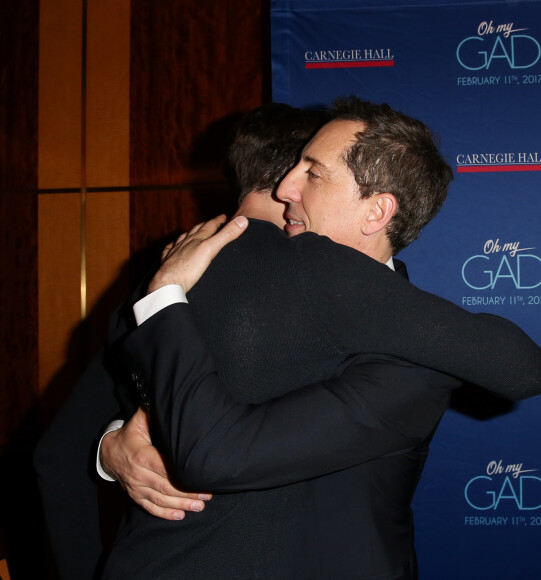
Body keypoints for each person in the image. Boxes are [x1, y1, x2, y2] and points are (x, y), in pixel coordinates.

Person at [99, 98, 541, 578]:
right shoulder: (217, 264)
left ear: (376, 211)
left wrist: (165, 296)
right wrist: (112, 447)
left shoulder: (417, 358)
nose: (284, 187)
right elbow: (116, 395)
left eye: (312, 173)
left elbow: (522, 367)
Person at [32, 103, 328, 580]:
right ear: (299, 175)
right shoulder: (338, 283)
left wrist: (110, 443)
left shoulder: (158, 282)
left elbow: (56, 457)